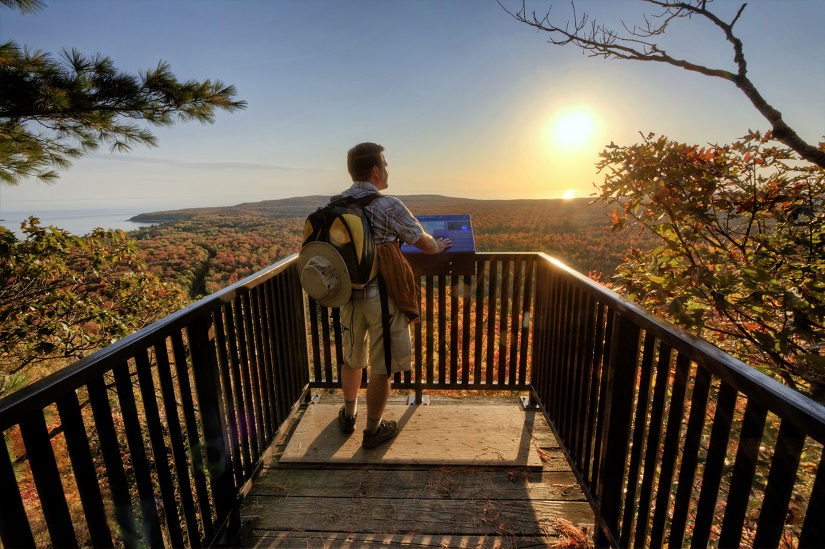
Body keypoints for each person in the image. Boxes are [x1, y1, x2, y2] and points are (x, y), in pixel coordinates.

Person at [338, 142, 451, 449]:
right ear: (376, 171)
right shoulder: (389, 206)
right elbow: (423, 242)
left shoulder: (335, 206)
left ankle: (348, 415)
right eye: (385, 165)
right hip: (382, 297)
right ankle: (373, 430)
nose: (387, 171)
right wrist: (438, 247)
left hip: (347, 296)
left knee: (352, 357)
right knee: (382, 365)